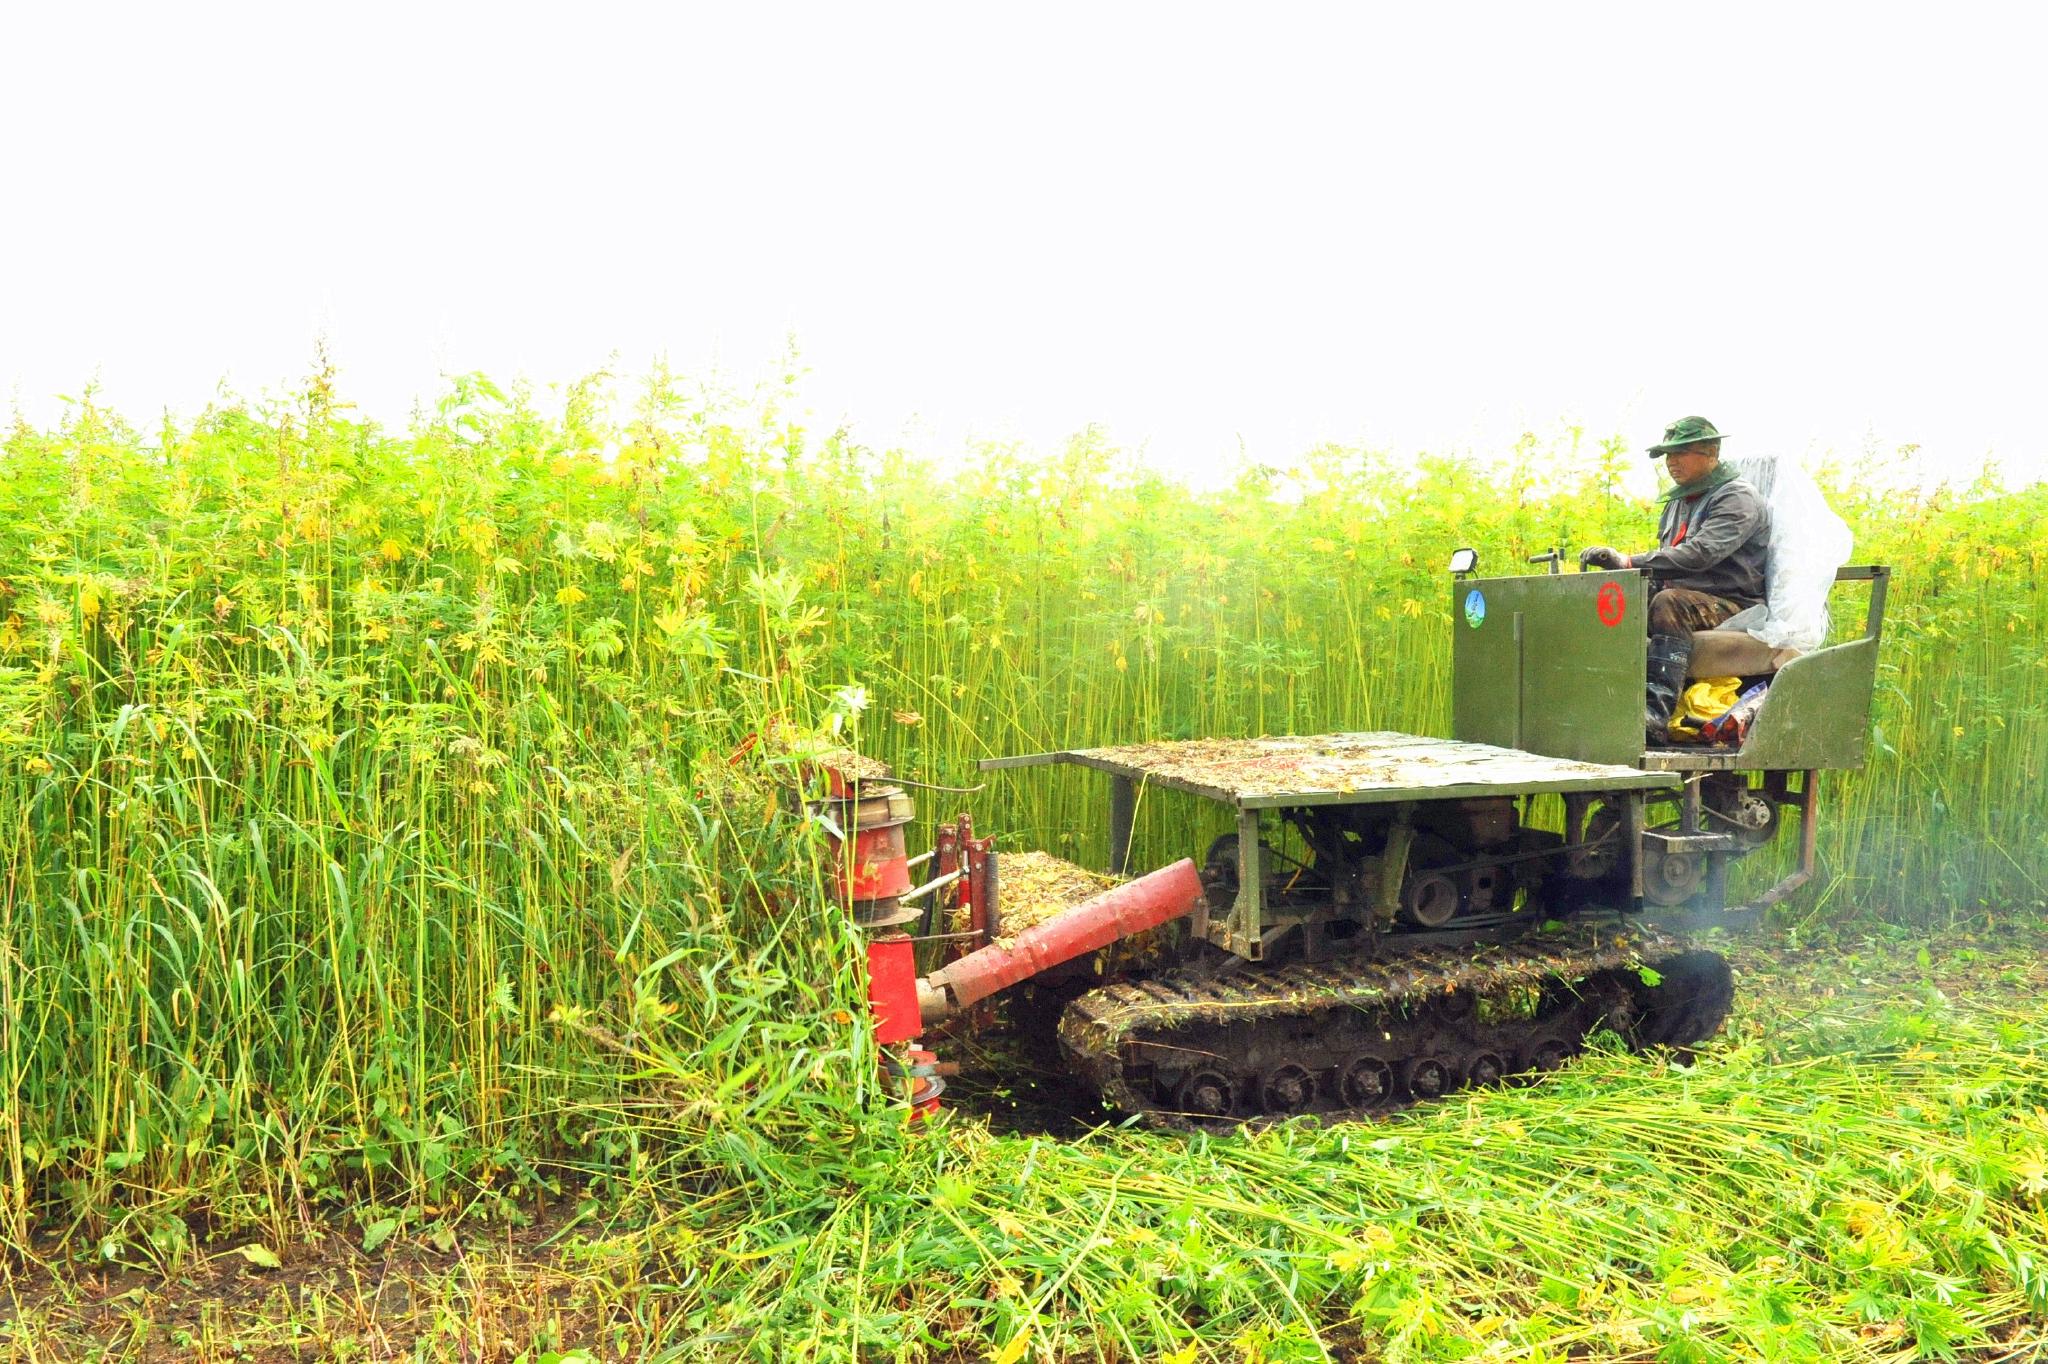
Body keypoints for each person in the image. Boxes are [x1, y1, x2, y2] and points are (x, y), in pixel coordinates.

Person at [1578, 416, 1769, 743]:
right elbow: (1669, 556)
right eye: (1667, 455)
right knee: (1617, 599)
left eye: (1681, 453)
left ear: (1711, 453)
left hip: (1734, 603)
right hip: (1690, 597)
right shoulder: (1680, 501)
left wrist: (1627, 561)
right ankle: (1602, 702)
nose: (1671, 462)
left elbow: (1701, 554)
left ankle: (1655, 714)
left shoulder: (1736, 497)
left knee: (1670, 602)